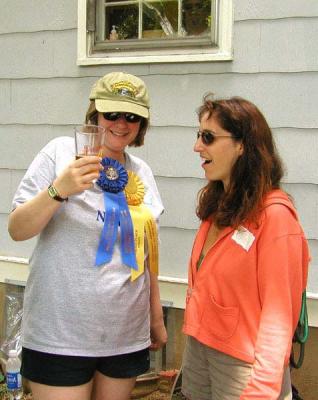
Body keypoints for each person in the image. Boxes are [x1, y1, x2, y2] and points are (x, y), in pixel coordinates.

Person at [8, 72, 167, 400]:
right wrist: (58, 190)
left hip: (125, 332)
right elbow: (17, 229)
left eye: (132, 117)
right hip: (61, 333)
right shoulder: (60, 153)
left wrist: (155, 317)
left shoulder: (141, 173)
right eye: (112, 114)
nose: (121, 124)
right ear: (95, 112)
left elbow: (146, 255)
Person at [181, 95, 309, 400]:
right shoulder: (218, 206)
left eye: (208, 137)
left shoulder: (275, 217)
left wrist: (263, 390)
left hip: (242, 365)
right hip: (200, 347)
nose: (197, 146)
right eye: (199, 135)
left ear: (242, 145)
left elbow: (279, 317)